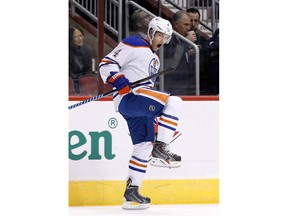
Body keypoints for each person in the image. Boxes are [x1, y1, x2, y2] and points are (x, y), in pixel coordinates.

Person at [99, 17, 183, 210]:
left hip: (139, 104)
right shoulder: (134, 43)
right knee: (174, 102)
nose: (163, 39)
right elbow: (106, 63)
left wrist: (153, 118)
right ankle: (161, 147)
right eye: (160, 34)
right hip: (131, 97)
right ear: (151, 32)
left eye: (166, 37)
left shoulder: (155, 57)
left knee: (143, 145)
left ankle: (131, 194)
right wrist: (118, 79)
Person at [163, 10, 196, 95]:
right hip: (174, 85)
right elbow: (172, 56)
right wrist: (187, 43)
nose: (188, 28)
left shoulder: (181, 38)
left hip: (186, 83)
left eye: (189, 25)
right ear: (176, 24)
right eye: (186, 25)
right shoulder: (168, 37)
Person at [69, 26, 93, 94]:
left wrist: (86, 82)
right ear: (70, 38)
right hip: (70, 80)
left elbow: (88, 70)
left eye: (81, 36)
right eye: (75, 37)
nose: (80, 39)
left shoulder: (87, 49)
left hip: (82, 79)